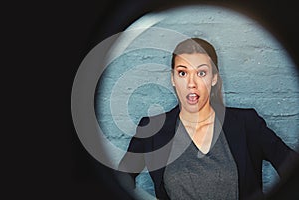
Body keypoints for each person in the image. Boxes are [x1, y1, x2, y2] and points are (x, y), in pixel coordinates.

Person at [117, 38, 299, 200]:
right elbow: (116, 183)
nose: (191, 83)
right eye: (182, 73)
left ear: (214, 78)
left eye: (201, 73)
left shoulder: (246, 123)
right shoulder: (152, 129)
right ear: (173, 78)